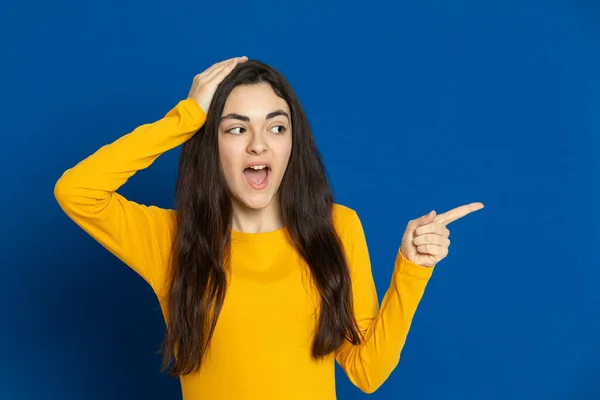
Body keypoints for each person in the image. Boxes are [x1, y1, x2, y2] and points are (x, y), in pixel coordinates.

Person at [54, 56, 483, 399]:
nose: (258, 143)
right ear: (211, 143)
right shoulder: (170, 239)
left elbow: (367, 371)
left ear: (292, 143)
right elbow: (77, 191)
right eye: (237, 128)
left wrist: (412, 269)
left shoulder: (337, 227)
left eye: (276, 127)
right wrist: (184, 119)